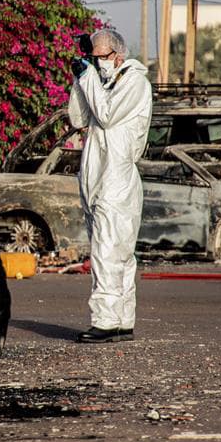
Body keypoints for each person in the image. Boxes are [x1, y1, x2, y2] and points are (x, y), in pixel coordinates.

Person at [67, 28, 153, 343]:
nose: (96, 62)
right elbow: (78, 118)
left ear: (117, 55)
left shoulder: (134, 83)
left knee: (109, 253)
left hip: (117, 182)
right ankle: (121, 320)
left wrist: (88, 77)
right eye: (92, 56)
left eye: (100, 56)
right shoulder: (100, 83)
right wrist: (80, 77)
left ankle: (106, 321)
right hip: (95, 178)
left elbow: (105, 115)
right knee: (113, 253)